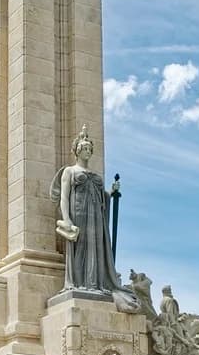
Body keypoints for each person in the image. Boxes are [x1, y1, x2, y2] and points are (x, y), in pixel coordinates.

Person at [52, 127, 138, 312]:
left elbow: (102, 198)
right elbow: (64, 197)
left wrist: (111, 193)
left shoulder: (95, 175)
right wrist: (66, 219)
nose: (87, 152)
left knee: (95, 248)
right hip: (78, 212)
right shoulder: (69, 171)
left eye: (90, 149)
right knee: (80, 247)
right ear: (76, 151)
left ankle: (94, 284)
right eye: (84, 149)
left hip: (95, 216)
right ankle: (78, 283)